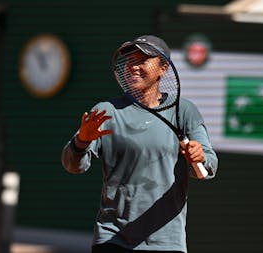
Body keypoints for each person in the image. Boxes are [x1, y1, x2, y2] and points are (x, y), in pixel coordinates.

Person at [61, 35, 218, 253]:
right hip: (112, 238)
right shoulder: (106, 112)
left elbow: (209, 168)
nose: (133, 66)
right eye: (129, 61)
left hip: (166, 242)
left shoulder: (185, 111)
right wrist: (82, 142)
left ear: (163, 68)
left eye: (142, 60)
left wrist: (198, 157)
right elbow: (73, 165)